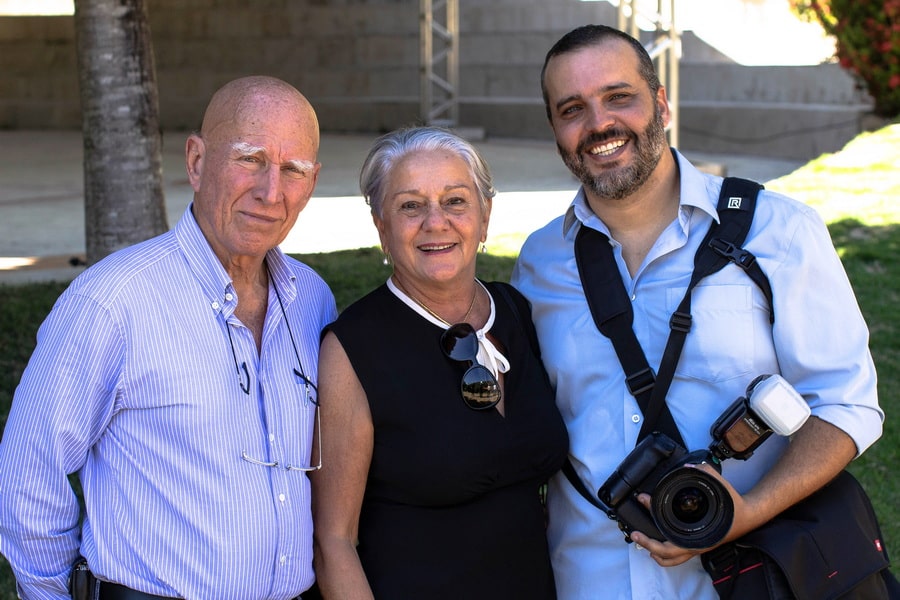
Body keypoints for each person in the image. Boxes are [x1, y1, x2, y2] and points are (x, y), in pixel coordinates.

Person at [511, 24, 884, 599]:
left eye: (619, 98)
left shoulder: (777, 232)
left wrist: (746, 511)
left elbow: (844, 402)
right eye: (572, 109)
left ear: (661, 104)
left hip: (749, 578)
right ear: (556, 130)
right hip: (586, 580)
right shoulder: (538, 262)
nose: (599, 125)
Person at [0, 75, 336, 599]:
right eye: (250, 159)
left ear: (311, 183)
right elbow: (27, 472)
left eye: (292, 169)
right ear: (197, 162)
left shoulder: (311, 300)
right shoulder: (114, 300)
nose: (272, 192)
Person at [310, 126, 569, 599]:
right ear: (381, 225)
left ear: (485, 216)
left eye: (455, 201)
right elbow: (333, 542)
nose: (436, 222)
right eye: (410, 205)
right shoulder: (353, 349)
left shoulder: (514, 312)